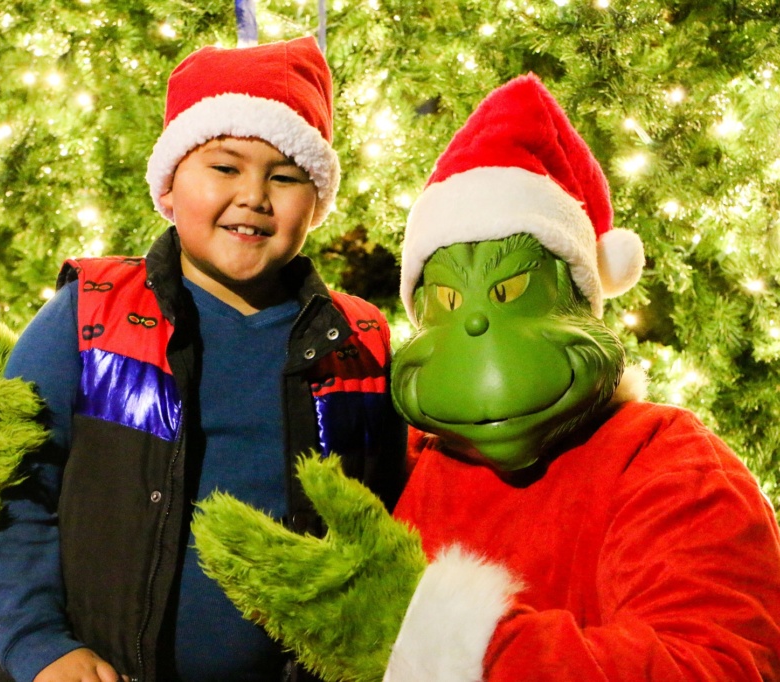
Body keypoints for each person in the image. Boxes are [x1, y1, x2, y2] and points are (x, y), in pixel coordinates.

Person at [191, 74, 780, 681]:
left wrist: (442, 637)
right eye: (446, 297)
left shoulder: (669, 464)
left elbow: (718, 665)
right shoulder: (410, 455)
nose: (476, 324)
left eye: (507, 290)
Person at [0, 36, 407, 682]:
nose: (255, 195)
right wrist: (42, 646)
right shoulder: (88, 318)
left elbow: (392, 519)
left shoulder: (359, 348)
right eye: (225, 168)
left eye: (285, 176)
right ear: (170, 187)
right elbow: (10, 494)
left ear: (317, 200)